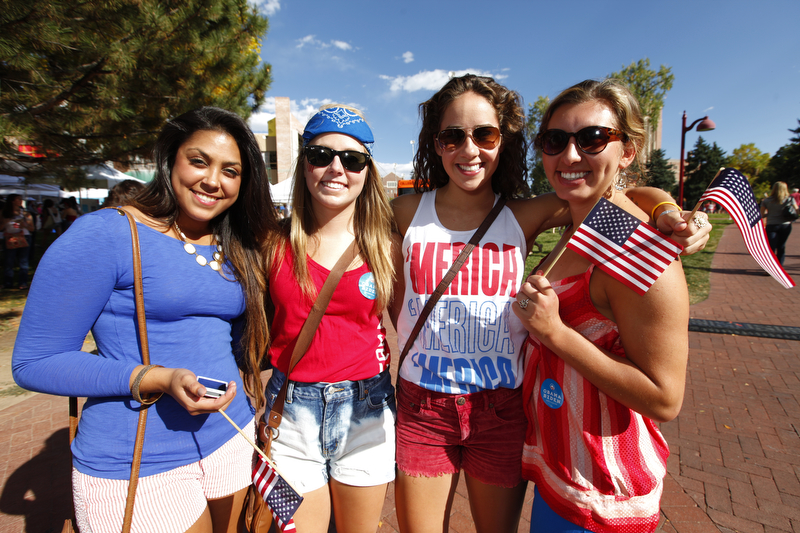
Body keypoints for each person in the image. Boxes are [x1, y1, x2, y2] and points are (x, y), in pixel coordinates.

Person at [389, 74, 710, 533]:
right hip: (426, 407)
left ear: (505, 142)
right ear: (435, 144)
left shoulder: (525, 213)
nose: (468, 148)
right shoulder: (405, 213)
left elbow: (615, 195)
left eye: (485, 134)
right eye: (451, 136)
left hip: (503, 407)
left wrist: (665, 211)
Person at [13, 106, 278, 533]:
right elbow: (35, 362)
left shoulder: (237, 244)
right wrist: (158, 378)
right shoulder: (107, 234)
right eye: (198, 161)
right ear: (170, 158)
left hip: (231, 437)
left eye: (231, 170)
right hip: (139, 457)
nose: (213, 180)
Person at [514, 78, 694, 532]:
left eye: (592, 139)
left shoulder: (639, 251)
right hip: (562, 476)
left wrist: (555, 333)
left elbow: (664, 397)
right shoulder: (591, 224)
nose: (570, 156)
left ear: (627, 151)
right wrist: (662, 203)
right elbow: (633, 196)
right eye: (555, 140)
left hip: (605, 497)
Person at [246, 105, 396, 533]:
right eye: (320, 155)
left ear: (367, 171)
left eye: (352, 160)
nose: (336, 168)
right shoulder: (271, 242)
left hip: (368, 410)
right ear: (304, 165)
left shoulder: (387, 244)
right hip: (288, 412)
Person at [3, 194, 34, 289]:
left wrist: (24, 225)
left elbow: (32, 228)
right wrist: (7, 221)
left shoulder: (25, 214)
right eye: (18, 199)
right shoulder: (5, 213)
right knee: (9, 261)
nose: (21, 201)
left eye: (21, 199)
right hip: (10, 238)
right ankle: (8, 283)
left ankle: (23, 282)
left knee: (23, 261)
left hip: (24, 237)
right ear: (12, 201)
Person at [761, 181, 796, 265]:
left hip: (771, 225)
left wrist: (770, 214)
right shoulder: (790, 199)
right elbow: (797, 211)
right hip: (785, 225)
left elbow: (761, 214)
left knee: (771, 247)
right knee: (781, 246)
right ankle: (780, 265)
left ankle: (770, 267)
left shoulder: (767, 201)